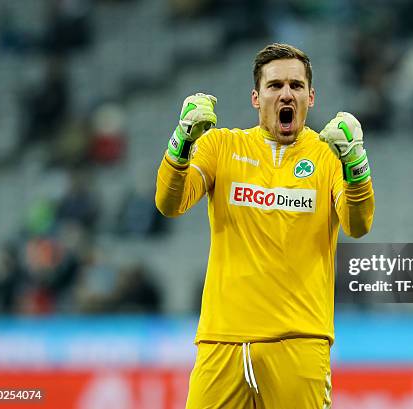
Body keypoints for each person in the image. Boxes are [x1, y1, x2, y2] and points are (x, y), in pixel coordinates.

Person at [155, 43, 375, 408]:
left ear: (311, 97)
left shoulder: (328, 155)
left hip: (299, 342)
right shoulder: (220, 146)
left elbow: (358, 224)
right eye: (275, 86)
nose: (286, 93)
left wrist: (356, 164)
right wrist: (182, 140)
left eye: (296, 85)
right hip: (221, 342)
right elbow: (169, 203)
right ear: (256, 98)